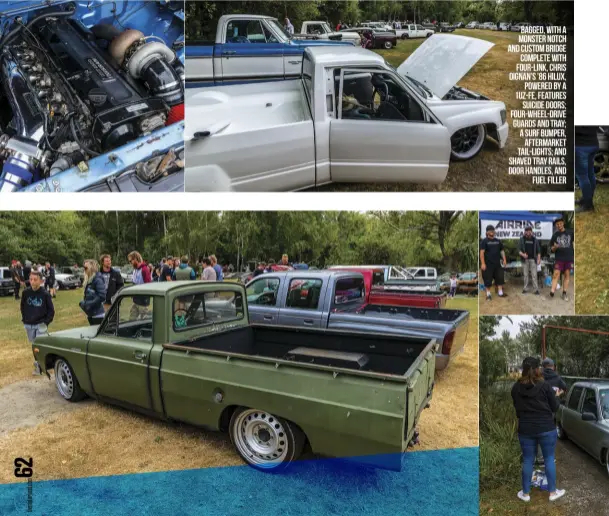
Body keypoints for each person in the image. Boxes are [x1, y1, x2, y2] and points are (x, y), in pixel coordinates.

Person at [511, 357, 565, 503]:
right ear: (537, 369)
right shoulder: (545, 386)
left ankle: (526, 494)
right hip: (546, 428)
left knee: (528, 460)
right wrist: (557, 397)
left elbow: (518, 411)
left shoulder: (516, 388)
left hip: (526, 429)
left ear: (523, 369)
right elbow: (554, 407)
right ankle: (553, 492)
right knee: (548, 458)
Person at [21, 270, 54, 344]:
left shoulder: (45, 294)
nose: (32, 282)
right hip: (29, 324)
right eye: (31, 279)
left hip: (40, 324)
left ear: (41, 281)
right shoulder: (25, 293)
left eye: (35, 280)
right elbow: (22, 307)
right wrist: (25, 319)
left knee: (40, 346)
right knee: (33, 345)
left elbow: (51, 311)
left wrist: (45, 322)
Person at [574, 126, 600, 212]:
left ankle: (588, 205)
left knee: (582, 176)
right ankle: (586, 199)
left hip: (580, 146)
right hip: (593, 144)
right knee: (590, 173)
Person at [479, 225, 507, 301]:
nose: (492, 232)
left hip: (498, 264)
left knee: (500, 278)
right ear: (487, 232)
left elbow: (502, 251)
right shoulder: (484, 241)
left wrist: (504, 259)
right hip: (488, 265)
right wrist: (483, 263)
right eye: (490, 230)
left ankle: (500, 292)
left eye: (493, 230)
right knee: (487, 280)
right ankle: (488, 294)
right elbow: (481, 253)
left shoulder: (498, 241)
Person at [549, 218, 573, 301]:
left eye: (560, 223)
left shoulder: (570, 232)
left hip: (569, 257)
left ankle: (564, 293)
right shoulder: (555, 235)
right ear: (556, 225)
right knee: (556, 273)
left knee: (567, 275)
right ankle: (552, 291)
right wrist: (554, 247)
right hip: (559, 258)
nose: (559, 225)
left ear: (563, 223)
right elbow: (551, 249)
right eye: (557, 224)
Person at [79, 260, 107, 325]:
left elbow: (102, 296)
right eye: (84, 268)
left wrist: (89, 304)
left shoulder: (97, 279)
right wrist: (84, 304)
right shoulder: (89, 279)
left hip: (98, 314)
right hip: (91, 314)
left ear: (92, 268)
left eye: (86, 268)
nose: (84, 270)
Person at [128, 251, 152, 319]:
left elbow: (148, 286)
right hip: (135, 300)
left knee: (144, 319)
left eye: (131, 261)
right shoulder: (135, 270)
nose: (130, 263)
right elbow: (133, 283)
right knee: (131, 318)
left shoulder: (144, 269)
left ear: (135, 259)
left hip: (143, 300)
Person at [518, 227, 541, 295]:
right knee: (525, 275)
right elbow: (518, 250)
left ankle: (536, 290)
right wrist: (523, 255)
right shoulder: (522, 239)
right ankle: (525, 289)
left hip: (533, 260)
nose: (528, 232)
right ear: (525, 232)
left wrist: (539, 259)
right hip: (525, 260)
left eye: (529, 231)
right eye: (527, 231)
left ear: (531, 232)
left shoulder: (535, 239)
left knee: (534, 275)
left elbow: (538, 251)